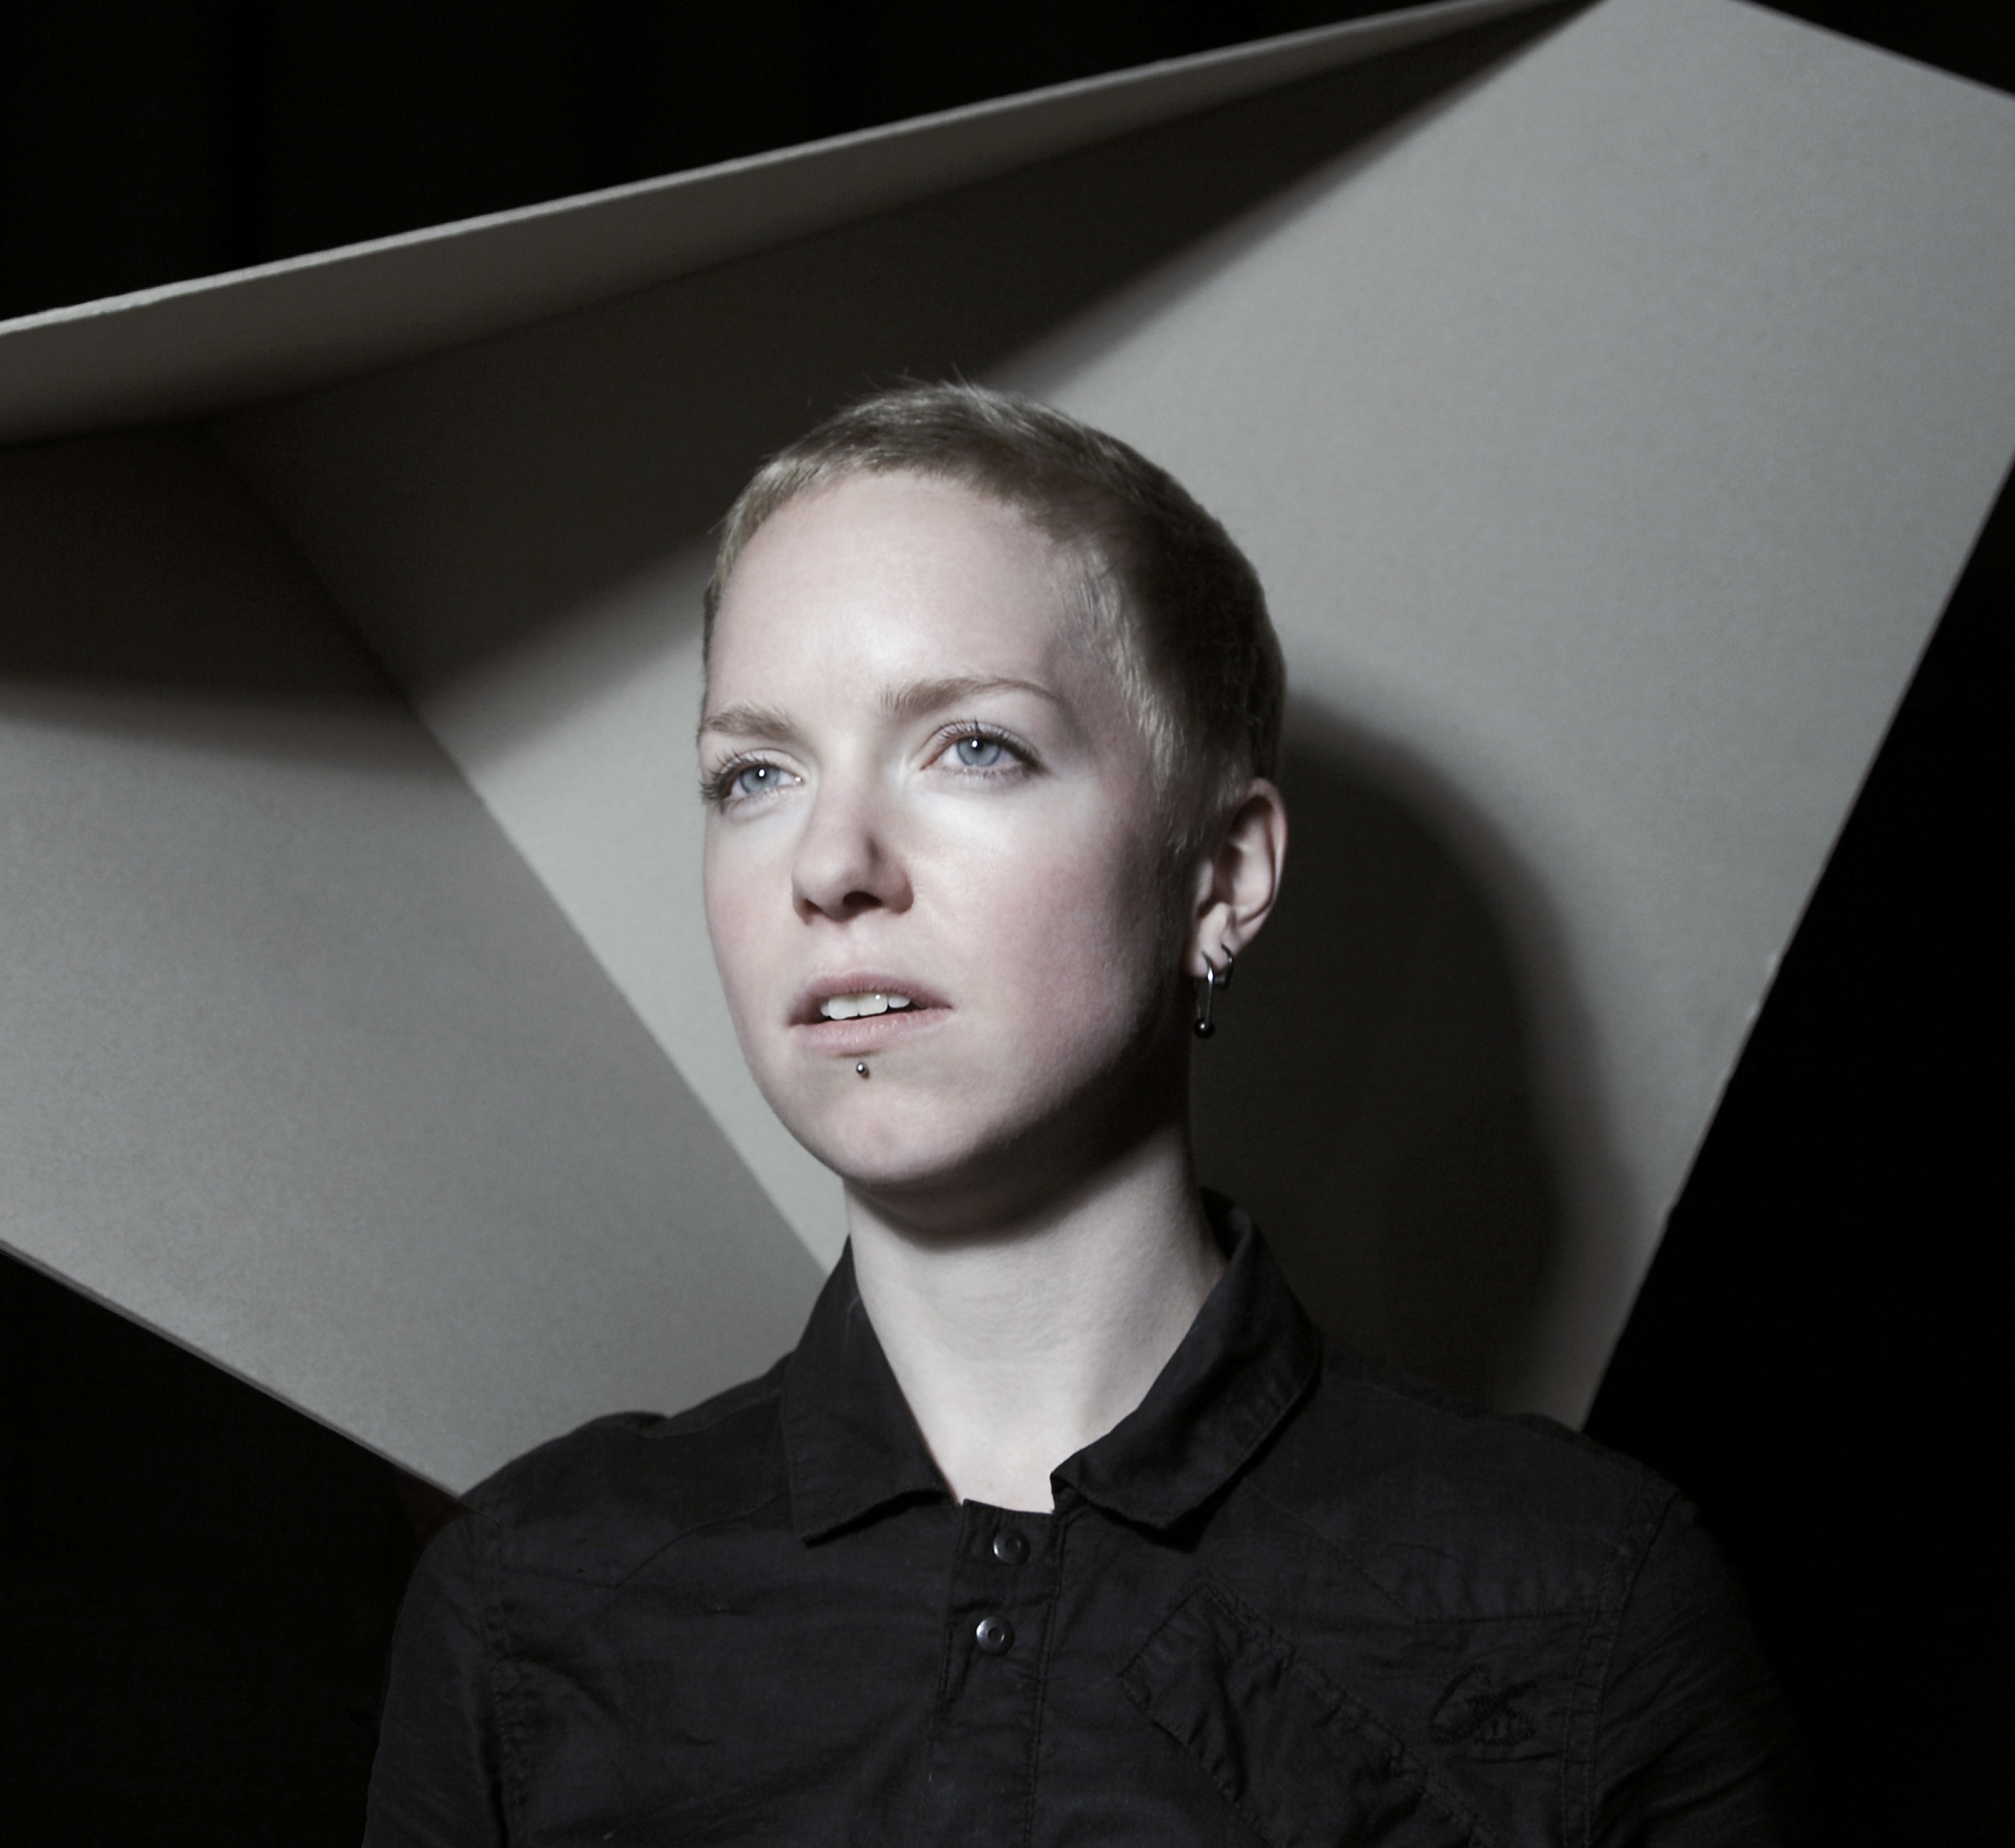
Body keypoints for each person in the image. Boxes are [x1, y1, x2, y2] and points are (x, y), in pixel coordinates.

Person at [365, 384, 1802, 1844]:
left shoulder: (1583, 1606)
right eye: (755, 773)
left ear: (1221, 877)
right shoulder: (526, 1600)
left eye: (972, 746)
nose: (830, 862)